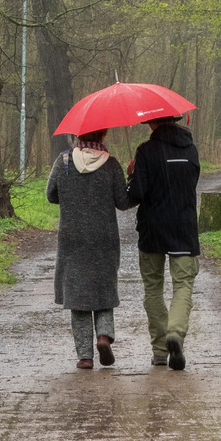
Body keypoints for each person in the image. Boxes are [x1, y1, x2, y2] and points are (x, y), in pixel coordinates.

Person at [46, 127, 131, 369]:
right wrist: (131, 176)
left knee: (77, 295)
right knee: (103, 289)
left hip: (72, 238)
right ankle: (103, 336)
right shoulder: (112, 164)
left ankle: (85, 356)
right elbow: (123, 202)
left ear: (78, 135)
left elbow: (51, 195)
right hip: (104, 237)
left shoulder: (62, 162)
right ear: (103, 135)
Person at [125, 114, 201, 370]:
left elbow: (135, 195)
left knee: (153, 288)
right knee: (182, 286)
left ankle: (159, 351)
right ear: (176, 120)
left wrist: (132, 175)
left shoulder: (146, 150)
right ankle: (175, 335)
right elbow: (190, 185)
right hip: (184, 228)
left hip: (152, 229)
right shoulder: (190, 149)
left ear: (151, 123)